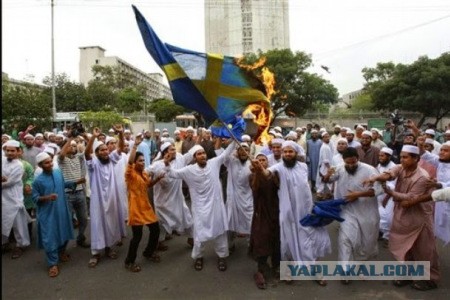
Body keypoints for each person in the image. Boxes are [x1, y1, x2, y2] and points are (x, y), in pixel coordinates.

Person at [252, 140, 331, 286]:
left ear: (296, 153)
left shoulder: (303, 167)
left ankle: (315, 270)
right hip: (287, 213)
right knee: (287, 241)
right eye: (285, 152)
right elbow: (267, 173)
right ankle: (287, 272)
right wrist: (259, 168)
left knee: (309, 241)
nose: (287, 154)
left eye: (290, 152)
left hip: (305, 212)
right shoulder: (279, 167)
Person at [365, 145, 439, 291]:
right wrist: (376, 177)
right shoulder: (402, 167)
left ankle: (430, 279)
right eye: (401, 157)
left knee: (423, 250)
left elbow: (410, 198)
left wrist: (389, 191)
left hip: (419, 217)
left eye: (405, 157)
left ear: (416, 159)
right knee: (406, 248)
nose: (402, 160)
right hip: (404, 214)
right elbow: (390, 173)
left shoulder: (422, 177)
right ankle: (407, 274)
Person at [163, 140, 236, 272]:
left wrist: (235, 140)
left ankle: (222, 256)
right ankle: (199, 257)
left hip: (215, 207)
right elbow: (173, 174)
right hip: (200, 209)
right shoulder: (188, 170)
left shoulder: (214, 163)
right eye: (199, 154)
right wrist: (167, 164)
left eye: (203, 153)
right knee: (199, 235)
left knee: (220, 233)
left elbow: (225, 155)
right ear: (194, 157)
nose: (202, 155)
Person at [323, 147, 380, 285]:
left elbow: (378, 189)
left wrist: (357, 194)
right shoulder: (340, 168)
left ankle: (361, 266)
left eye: (353, 162)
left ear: (358, 159)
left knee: (367, 242)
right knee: (346, 239)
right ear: (343, 160)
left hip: (367, 211)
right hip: (347, 210)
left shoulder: (370, 170)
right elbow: (327, 181)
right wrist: (326, 175)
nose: (350, 165)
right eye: (348, 163)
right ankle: (345, 270)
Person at [85, 126, 127, 268]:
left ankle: (109, 248)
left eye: (106, 149)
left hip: (111, 199)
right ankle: (96, 253)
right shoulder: (93, 163)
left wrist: (121, 133)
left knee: (110, 222)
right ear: (96, 153)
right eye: (101, 150)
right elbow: (86, 153)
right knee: (97, 224)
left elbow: (120, 148)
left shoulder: (111, 160)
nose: (105, 152)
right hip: (98, 200)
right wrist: (93, 137)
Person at [123, 135, 163, 272]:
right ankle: (129, 261)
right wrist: (135, 145)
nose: (142, 163)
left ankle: (148, 252)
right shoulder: (130, 174)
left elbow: (148, 185)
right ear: (134, 163)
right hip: (135, 209)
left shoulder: (144, 174)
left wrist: (158, 179)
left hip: (146, 207)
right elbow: (129, 162)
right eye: (139, 161)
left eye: (143, 160)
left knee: (155, 229)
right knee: (137, 237)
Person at [32, 152, 74, 278]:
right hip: (47, 214)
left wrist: (73, 183)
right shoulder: (37, 181)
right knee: (50, 238)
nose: (50, 164)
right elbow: (35, 198)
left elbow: (62, 184)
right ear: (40, 165)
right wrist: (47, 197)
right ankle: (53, 264)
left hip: (62, 210)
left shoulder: (57, 173)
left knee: (64, 232)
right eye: (47, 162)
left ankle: (61, 252)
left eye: (50, 161)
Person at [147, 142, 194, 249]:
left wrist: (200, 136)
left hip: (177, 198)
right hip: (162, 201)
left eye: (174, 149)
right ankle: (158, 242)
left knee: (187, 218)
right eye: (172, 150)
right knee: (162, 224)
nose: (175, 151)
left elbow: (192, 152)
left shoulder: (180, 159)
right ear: (165, 152)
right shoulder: (157, 164)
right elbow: (146, 172)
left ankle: (191, 238)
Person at [249, 152, 280, 289]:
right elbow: (255, 187)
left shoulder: (274, 174)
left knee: (276, 238)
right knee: (261, 237)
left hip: (275, 211)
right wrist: (258, 172)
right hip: (261, 213)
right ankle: (261, 269)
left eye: (264, 160)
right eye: (259, 160)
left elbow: (275, 185)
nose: (261, 162)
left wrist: (263, 171)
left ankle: (277, 266)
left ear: (268, 162)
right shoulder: (252, 176)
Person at [58, 136, 90, 248]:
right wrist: (69, 139)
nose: (72, 147)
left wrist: (88, 137)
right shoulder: (61, 159)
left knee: (84, 220)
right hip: (67, 194)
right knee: (67, 221)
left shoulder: (78, 158)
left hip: (80, 193)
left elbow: (88, 151)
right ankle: (62, 247)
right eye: (70, 146)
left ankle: (80, 238)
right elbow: (62, 154)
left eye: (74, 146)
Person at [2, 140, 31, 259]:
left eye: (12, 151)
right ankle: (5, 244)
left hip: (14, 198)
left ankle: (21, 245)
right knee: (3, 221)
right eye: (7, 150)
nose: (9, 153)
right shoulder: (3, 160)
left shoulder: (19, 165)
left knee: (18, 223)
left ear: (18, 152)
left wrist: (4, 180)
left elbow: (9, 182)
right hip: (3, 198)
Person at [224, 142, 254, 253]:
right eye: (240, 149)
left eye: (245, 149)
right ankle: (230, 245)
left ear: (249, 152)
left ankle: (251, 245)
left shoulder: (253, 164)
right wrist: (232, 142)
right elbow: (221, 154)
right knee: (230, 223)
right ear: (237, 151)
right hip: (233, 199)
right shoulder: (231, 162)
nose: (243, 152)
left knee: (250, 223)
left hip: (248, 199)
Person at [420, 141, 450, 245]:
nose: (441, 152)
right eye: (441, 150)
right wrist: (420, 143)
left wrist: (438, 184)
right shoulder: (441, 162)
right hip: (441, 202)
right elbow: (426, 155)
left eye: (445, 150)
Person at [376, 147, 397, 243]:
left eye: (382, 156)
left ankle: (388, 237)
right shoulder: (379, 166)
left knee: (388, 218)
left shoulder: (393, 168)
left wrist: (387, 197)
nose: (380, 157)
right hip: (379, 194)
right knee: (379, 215)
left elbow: (394, 186)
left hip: (389, 196)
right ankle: (381, 232)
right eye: (379, 155)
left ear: (389, 157)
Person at [316, 132, 333, 199]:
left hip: (325, 167)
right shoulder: (325, 147)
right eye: (325, 137)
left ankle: (325, 194)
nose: (327, 138)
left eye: (328, 136)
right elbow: (325, 160)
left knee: (324, 182)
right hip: (325, 167)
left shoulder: (326, 146)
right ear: (322, 138)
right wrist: (329, 168)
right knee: (324, 181)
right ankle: (320, 195)